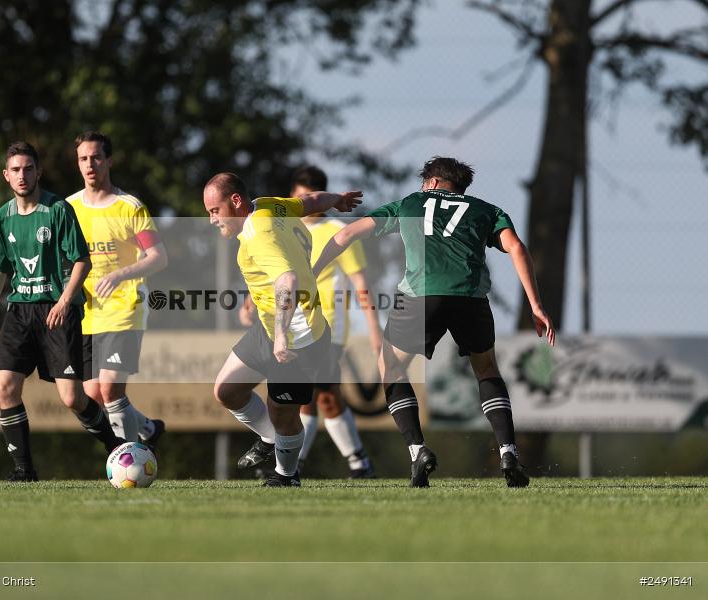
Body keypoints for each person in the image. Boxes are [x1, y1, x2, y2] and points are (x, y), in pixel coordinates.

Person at [313, 156, 555, 488]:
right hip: (471, 298)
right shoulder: (487, 210)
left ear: (434, 182)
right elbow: (516, 248)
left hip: (420, 297)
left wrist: (313, 271)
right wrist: (536, 306)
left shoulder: (410, 203)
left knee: (391, 367)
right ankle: (508, 452)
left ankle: (417, 451)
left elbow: (347, 234)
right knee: (486, 369)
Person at [204, 171, 362, 486]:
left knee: (283, 414)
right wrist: (337, 200)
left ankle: (287, 476)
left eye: (215, 210)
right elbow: (309, 201)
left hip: (299, 336)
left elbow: (287, 280)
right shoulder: (266, 205)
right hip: (271, 325)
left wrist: (280, 337)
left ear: (236, 201)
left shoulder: (257, 234)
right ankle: (269, 439)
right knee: (227, 390)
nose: (212, 219)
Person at [0, 141, 126, 482]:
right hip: (19, 311)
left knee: (72, 398)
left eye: (28, 169)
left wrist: (63, 302)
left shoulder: (58, 210)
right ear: (6, 175)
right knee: (5, 387)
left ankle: (115, 447)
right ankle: (24, 470)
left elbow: (82, 261)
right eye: (15, 170)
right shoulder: (3, 217)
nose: (22, 175)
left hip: (58, 311)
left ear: (38, 172)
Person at [239, 165, 380, 478]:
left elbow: (360, 282)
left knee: (314, 395)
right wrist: (251, 299)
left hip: (326, 322)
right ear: (293, 195)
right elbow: (271, 269)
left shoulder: (336, 230)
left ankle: (293, 465)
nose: (307, 202)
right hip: (289, 322)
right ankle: (355, 462)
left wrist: (374, 328)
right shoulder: (282, 224)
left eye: (311, 195)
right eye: (301, 195)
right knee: (321, 397)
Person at [66, 131, 167, 449]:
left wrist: (121, 274)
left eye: (96, 157)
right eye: (83, 159)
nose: (90, 164)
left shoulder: (129, 207)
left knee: (110, 388)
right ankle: (148, 429)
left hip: (125, 307)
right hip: (86, 312)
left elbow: (158, 257)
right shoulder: (67, 209)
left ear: (109, 160)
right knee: (92, 395)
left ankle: (127, 459)